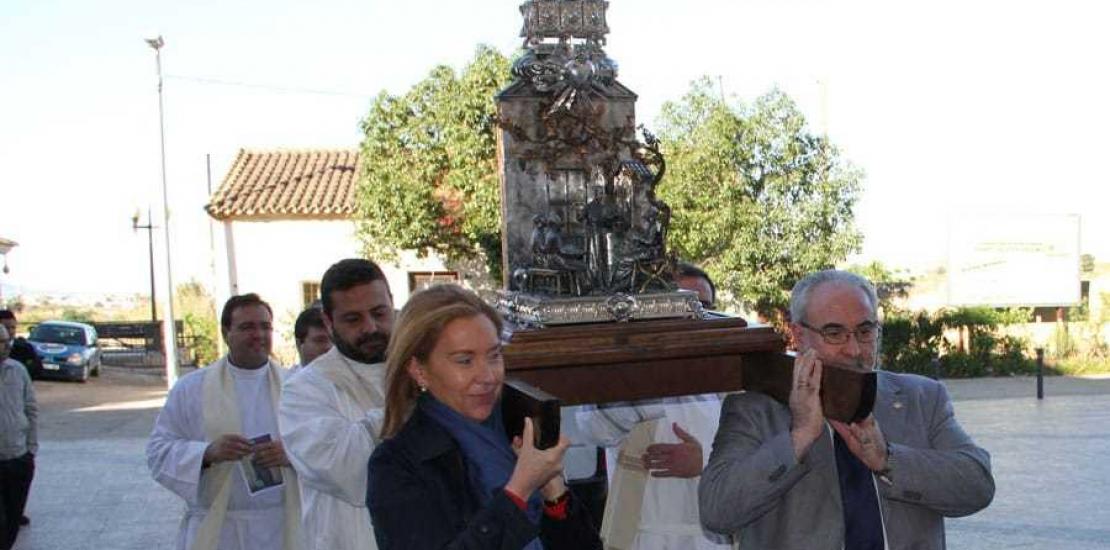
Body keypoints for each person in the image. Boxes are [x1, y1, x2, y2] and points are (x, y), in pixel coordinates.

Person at [699, 270, 995, 550]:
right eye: (834, 333)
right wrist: (798, 438)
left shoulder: (922, 398)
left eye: (865, 331)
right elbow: (716, 512)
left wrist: (887, 460)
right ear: (799, 335)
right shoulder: (754, 410)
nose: (854, 349)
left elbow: (978, 485)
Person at [367, 284, 602, 550]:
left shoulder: (514, 427)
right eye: (465, 361)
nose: (488, 376)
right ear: (419, 370)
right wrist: (520, 489)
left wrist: (553, 490)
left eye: (494, 356)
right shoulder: (397, 464)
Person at [565, 264, 731, 550]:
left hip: (713, 539)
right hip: (645, 536)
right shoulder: (630, 374)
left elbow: (753, 459)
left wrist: (703, 462)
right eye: (680, 303)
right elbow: (593, 428)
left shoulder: (726, 377)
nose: (692, 314)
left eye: (702, 305)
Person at [147, 293, 302, 550]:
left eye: (265, 326)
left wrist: (292, 454)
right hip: (219, 529)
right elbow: (157, 451)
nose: (258, 334)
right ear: (226, 333)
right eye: (247, 327)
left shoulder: (296, 388)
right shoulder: (191, 388)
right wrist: (207, 453)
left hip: (282, 525)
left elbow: (323, 447)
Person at [279, 259, 394, 550]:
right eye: (353, 319)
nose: (371, 327)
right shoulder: (305, 390)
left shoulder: (425, 366)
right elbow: (345, 470)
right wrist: (407, 406)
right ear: (329, 322)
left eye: (379, 313)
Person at [0, 325, 37, 550]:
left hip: (18, 457)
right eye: (0, 342)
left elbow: (31, 409)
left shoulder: (18, 370)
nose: (4, 346)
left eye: (6, 341)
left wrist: (31, 449)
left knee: (13, 520)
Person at [0, 310, 42, 380]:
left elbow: (37, 369)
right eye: (6, 327)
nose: (11, 331)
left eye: (13, 327)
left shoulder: (25, 348)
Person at [289, 306, 332, 373]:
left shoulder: (345, 377)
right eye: (320, 340)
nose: (329, 347)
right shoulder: (284, 379)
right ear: (299, 344)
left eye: (333, 340)